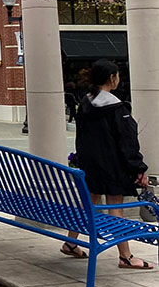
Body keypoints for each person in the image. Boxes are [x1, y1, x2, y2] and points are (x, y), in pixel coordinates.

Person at [63, 59, 153, 269]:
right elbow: (128, 143)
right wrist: (139, 169)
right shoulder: (116, 108)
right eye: (117, 76)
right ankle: (126, 256)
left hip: (90, 166)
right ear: (112, 79)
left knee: (89, 200)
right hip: (111, 168)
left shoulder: (84, 104)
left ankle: (70, 242)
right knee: (116, 207)